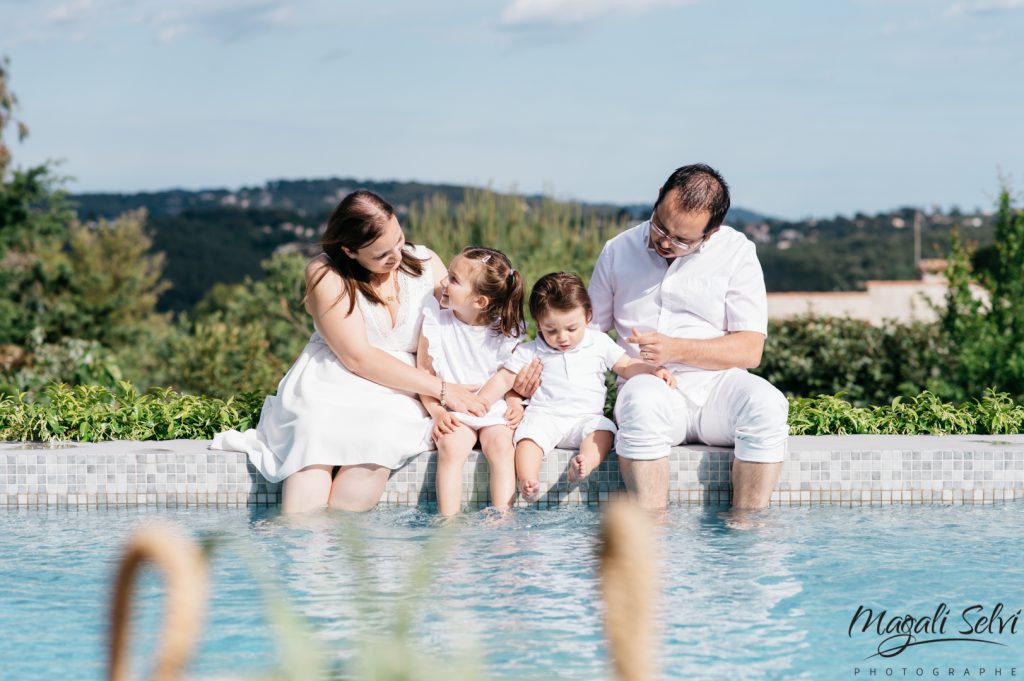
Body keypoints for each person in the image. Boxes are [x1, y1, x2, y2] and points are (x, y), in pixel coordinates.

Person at [211, 190, 488, 513]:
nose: (396, 257)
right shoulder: (325, 273)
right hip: (333, 378)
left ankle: (344, 550)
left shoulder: (427, 263)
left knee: (379, 439)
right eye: (381, 254)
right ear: (349, 250)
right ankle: (302, 550)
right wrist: (442, 390)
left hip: (402, 386)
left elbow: (466, 321)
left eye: (399, 240)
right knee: (312, 442)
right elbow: (358, 357)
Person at [586, 163, 790, 510]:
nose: (665, 242)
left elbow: (750, 349)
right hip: (650, 385)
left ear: (711, 233)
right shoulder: (618, 250)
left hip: (718, 389)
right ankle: (652, 534)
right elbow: (590, 335)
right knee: (640, 403)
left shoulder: (738, 252)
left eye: (682, 240)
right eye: (660, 227)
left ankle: (747, 533)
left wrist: (674, 348)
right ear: (656, 201)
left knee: (768, 404)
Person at [503, 273, 676, 503]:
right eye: (551, 330)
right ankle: (528, 481)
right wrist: (514, 402)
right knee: (527, 439)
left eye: (571, 328)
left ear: (588, 317)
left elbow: (625, 365)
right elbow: (509, 383)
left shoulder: (599, 342)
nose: (562, 337)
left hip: (586, 419)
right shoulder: (529, 350)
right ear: (538, 322)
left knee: (603, 431)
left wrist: (651, 369)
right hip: (545, 416)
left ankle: (584, 462)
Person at [417, 246, 527, 516]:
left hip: (493, 409)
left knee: (502, 446)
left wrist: (515, 402)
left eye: (454, 280)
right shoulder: (435, 321)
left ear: (480, 301)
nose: (443, 282)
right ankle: (448, 523)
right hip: (454, 409)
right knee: (451, 447)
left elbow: (509, 374)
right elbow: (424, 374)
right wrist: (438, 412)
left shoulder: (505, 330)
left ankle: (501, 517)